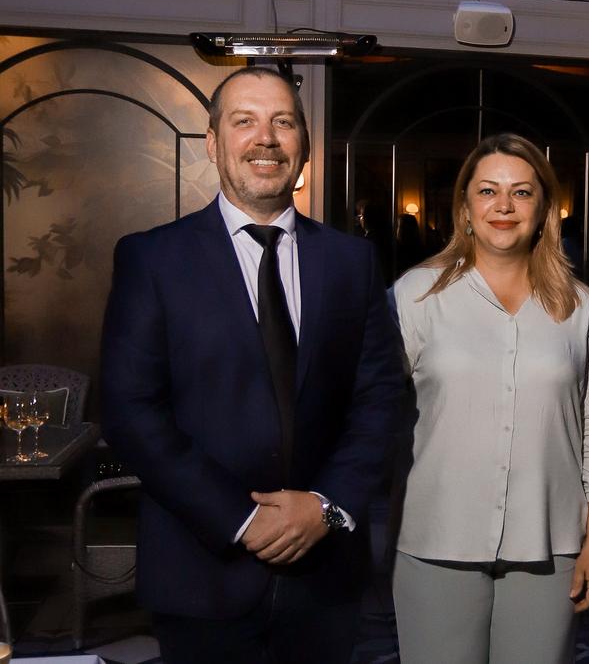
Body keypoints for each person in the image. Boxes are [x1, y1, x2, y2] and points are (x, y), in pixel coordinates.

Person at [101, 67, 405, 664]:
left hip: (325, 577)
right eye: (245, 121)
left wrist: (326, 506)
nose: (265, 138)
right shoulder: (151, 258)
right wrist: (242, 520)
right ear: (213, 143)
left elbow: (379, 399)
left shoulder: (352, 262)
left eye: (283, 122)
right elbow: (131, 412)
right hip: (201, 570)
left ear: (304, 147)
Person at [389, 133, 589, 664]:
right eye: (488, 191)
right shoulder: (415, 296)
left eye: (521, 192)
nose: (503, 205)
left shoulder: (579, 306)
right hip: (436, 540)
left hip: (550, 545)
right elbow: (371, 410)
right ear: (465, 208)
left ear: (544, 210)